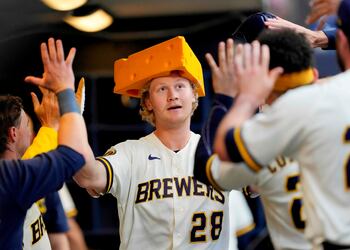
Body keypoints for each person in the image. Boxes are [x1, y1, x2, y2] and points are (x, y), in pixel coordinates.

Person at [211, 0, 350, 248]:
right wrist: (326, 33)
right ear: (314, 71)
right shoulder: (326, 95)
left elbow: (222, 158)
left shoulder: (300, 107)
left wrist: (235, 99)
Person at [72, 36, 230, 249]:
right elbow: (88, 176)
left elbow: (258, 183)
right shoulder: (129, 153)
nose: (172, 96)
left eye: (180, 86)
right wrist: (70, 118)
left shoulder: (218, 149)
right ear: (147, 101)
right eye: (161, 89)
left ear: (194, 94)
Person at [194, 25, 315, 249]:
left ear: (265, 85)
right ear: (314, 75)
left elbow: (206, 167)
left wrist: (227, 99)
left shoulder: (261, 135)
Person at [0, 37, 95, 249]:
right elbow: (74, 154)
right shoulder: (13, 178)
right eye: (28, 123)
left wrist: (50, 126)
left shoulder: (18, 171)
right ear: (13, 134)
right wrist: (65, 94)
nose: (34, 130)